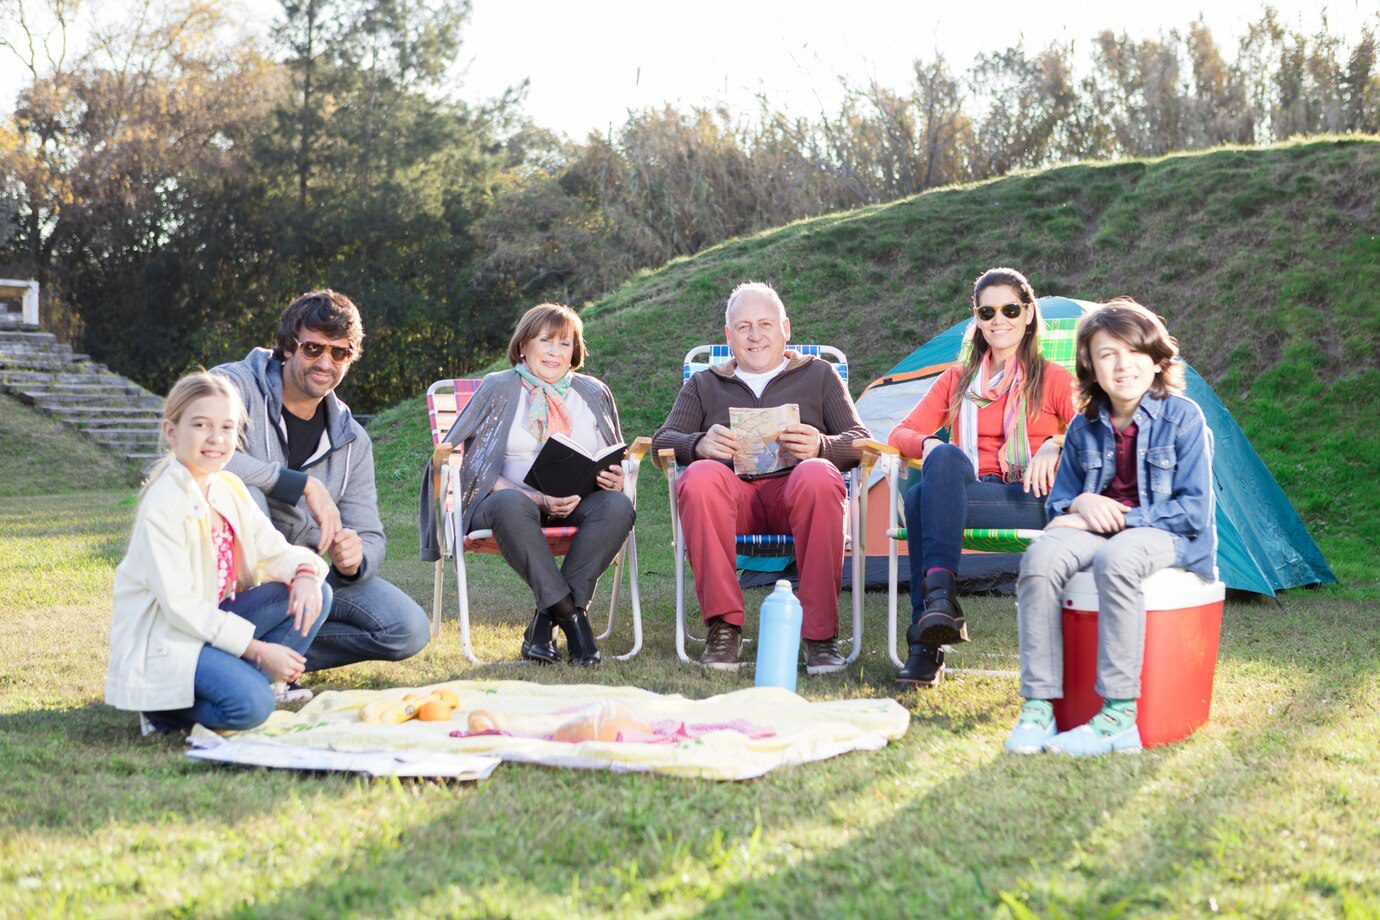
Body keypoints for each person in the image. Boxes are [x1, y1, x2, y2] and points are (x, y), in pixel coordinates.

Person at [1006, 298, 1216, 756]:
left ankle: (1119, 717)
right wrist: (1083, 499)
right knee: (1040, 559)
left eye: (1134, 351)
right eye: (1107, 354)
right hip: (1093, 527)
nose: (1123, 366)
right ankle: (1039, 707)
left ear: (1156, 359)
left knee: (1116, 558)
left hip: (1165, 532)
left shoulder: (1184, 418)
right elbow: (1061, 504)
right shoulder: (1084, 426)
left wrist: (1119, 517)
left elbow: (1194, 511)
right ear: (1090, 366)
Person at [214, 290, 428, 689]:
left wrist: (355, 558)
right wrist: (302, 485)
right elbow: (200, 455)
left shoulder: (352, 440)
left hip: (310, 576)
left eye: (340, 353)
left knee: (407, 628)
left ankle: (268, 654)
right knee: (244, 491)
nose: (325, 363)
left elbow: (369, 529)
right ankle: (237, 647)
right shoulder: (231, 386)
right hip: (239, 578)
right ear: (288, 346)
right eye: (313, 348)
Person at [652, 281, 869, 674]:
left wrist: (821, 446)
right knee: (699, 477)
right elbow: (661, 443)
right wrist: (699, 444)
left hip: (798, 495)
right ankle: (724, 628)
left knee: (819, 475)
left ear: (785, 329)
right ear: (728, 336)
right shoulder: (705, 383)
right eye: (744, 326)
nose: (755, 336)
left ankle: (819, 637)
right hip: (734, 501)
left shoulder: (819, 375)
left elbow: (861, 444)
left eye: (765, 324)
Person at [106, 372, 332, 735]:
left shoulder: (228, 487)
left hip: (215, 625)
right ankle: (162, 711)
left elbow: (276, 552)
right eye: (201, 425)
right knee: (252, 707)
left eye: (227, 427)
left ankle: (252, 681)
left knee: (316, 588)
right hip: (171, 636)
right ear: (171, 431)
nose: (216, 439)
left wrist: (305, 573)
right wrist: (258, 650)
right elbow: (182, 608)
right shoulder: (163, 504)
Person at [887, 267, 1077, 689]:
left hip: (1028, 498)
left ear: (1028, 314)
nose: (999, 320)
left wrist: (1057, 442)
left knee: (919, 503)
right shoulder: (957, 380)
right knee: (944, 458)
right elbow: (900, 433)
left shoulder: (1053, 379)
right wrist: (930, 446)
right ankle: (939, 605)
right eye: (987, 312)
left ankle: (927, 639)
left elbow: (1097, 429)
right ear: (976, 319)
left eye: (1009, 309)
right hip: (966, 495)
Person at [418, 303, 635, 665]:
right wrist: (536, 497)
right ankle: (574, 621)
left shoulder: (593, 392)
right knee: (512, 504)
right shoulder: (498, 388)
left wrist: (614, 478)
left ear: (574, 353)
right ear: (523, 346)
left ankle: (544, 624)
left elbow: (615, 455)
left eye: (564, 344)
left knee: (618, 506)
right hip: (506, 505)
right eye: (545, 341)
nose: (554, 352)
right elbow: (463, 458)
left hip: (577, 504)